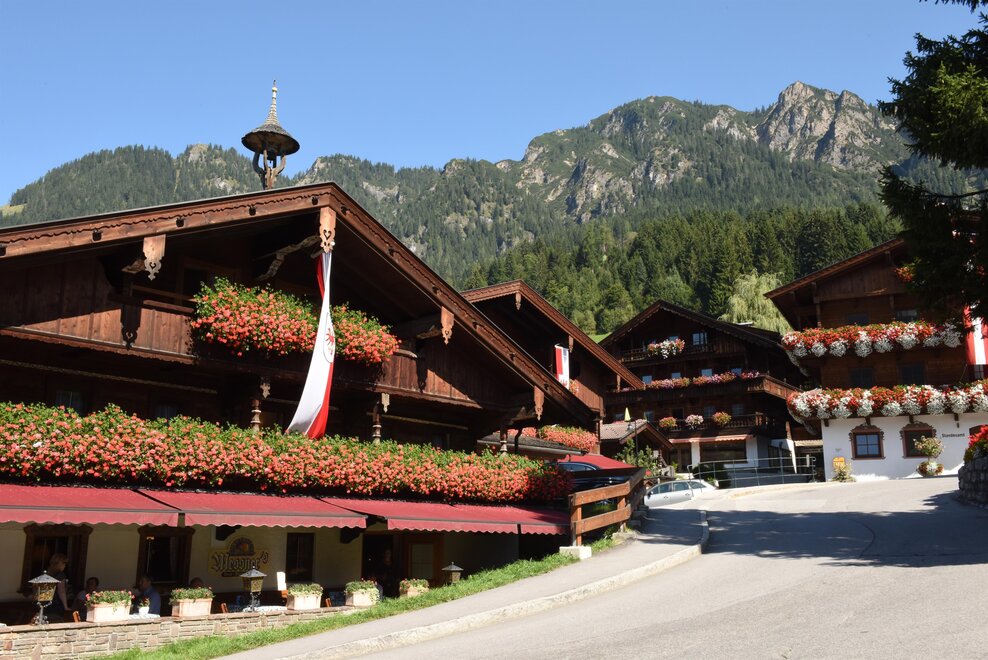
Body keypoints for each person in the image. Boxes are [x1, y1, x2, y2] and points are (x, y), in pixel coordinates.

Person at [45, 553, 71, 623]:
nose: (65, 566)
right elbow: (61, 591)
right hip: (55, 602)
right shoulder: (60, 575)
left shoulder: (47, 573)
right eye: (64, 563)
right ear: (59, 563)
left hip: (44, 601)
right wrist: (65, 606)